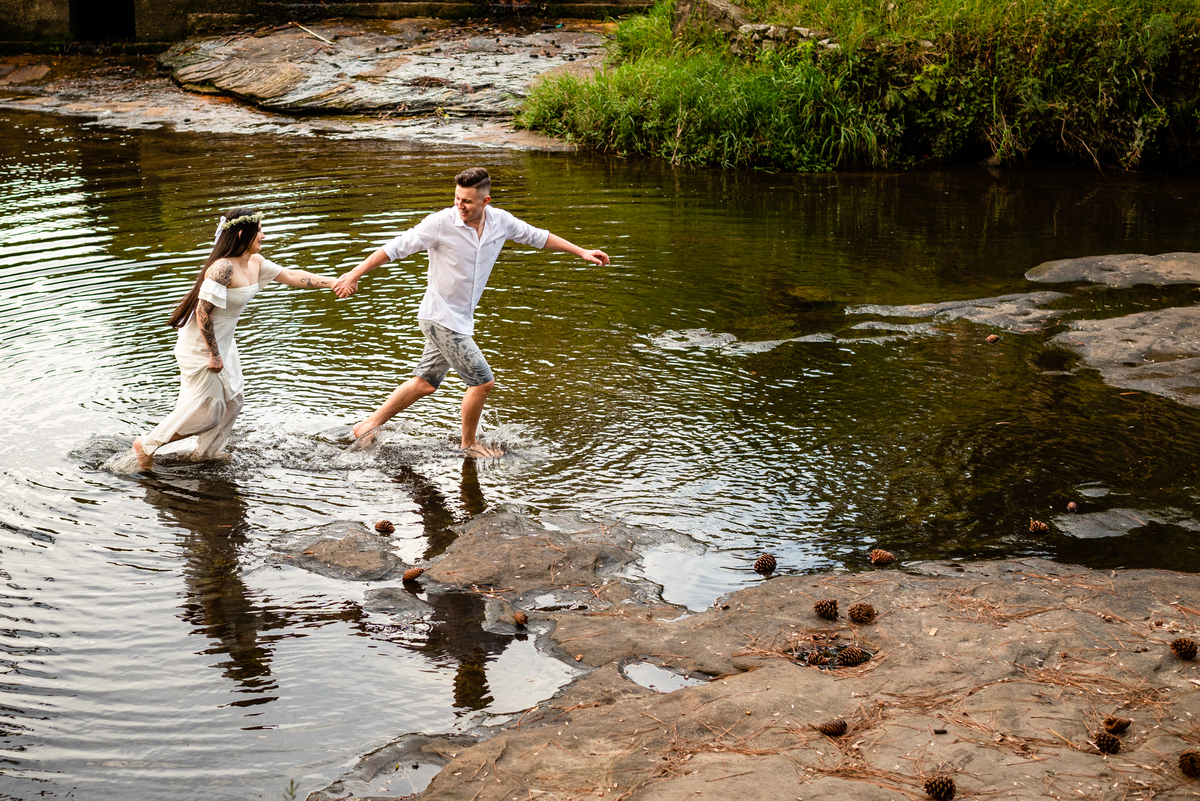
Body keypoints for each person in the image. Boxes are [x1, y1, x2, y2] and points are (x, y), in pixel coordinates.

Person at [332, 167, 609, 458]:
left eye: (467, 201)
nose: (459, 206)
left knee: (425, 383)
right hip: (440, 317)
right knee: (482, 381)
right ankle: (468, 445)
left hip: (460, 319)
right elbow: (393, 249)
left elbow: (538, 237)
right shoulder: (439, 223)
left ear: (485, 202)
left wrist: (581, 252)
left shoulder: (501, 221)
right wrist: (354, 274)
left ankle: (367, 426)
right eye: (456, 198)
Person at [131, 208, 337, 471]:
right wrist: (213, 354)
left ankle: (207, 453)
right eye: (259, 230)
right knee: (209, 410)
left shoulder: (255, 263)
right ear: (243, 234)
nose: (263, 234)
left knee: (233, 402)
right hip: (202, 345)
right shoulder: (222, 268)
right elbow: (202, 311)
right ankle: (147, 444)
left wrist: (334, 282)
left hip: (225, 343)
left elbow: (292, 276)